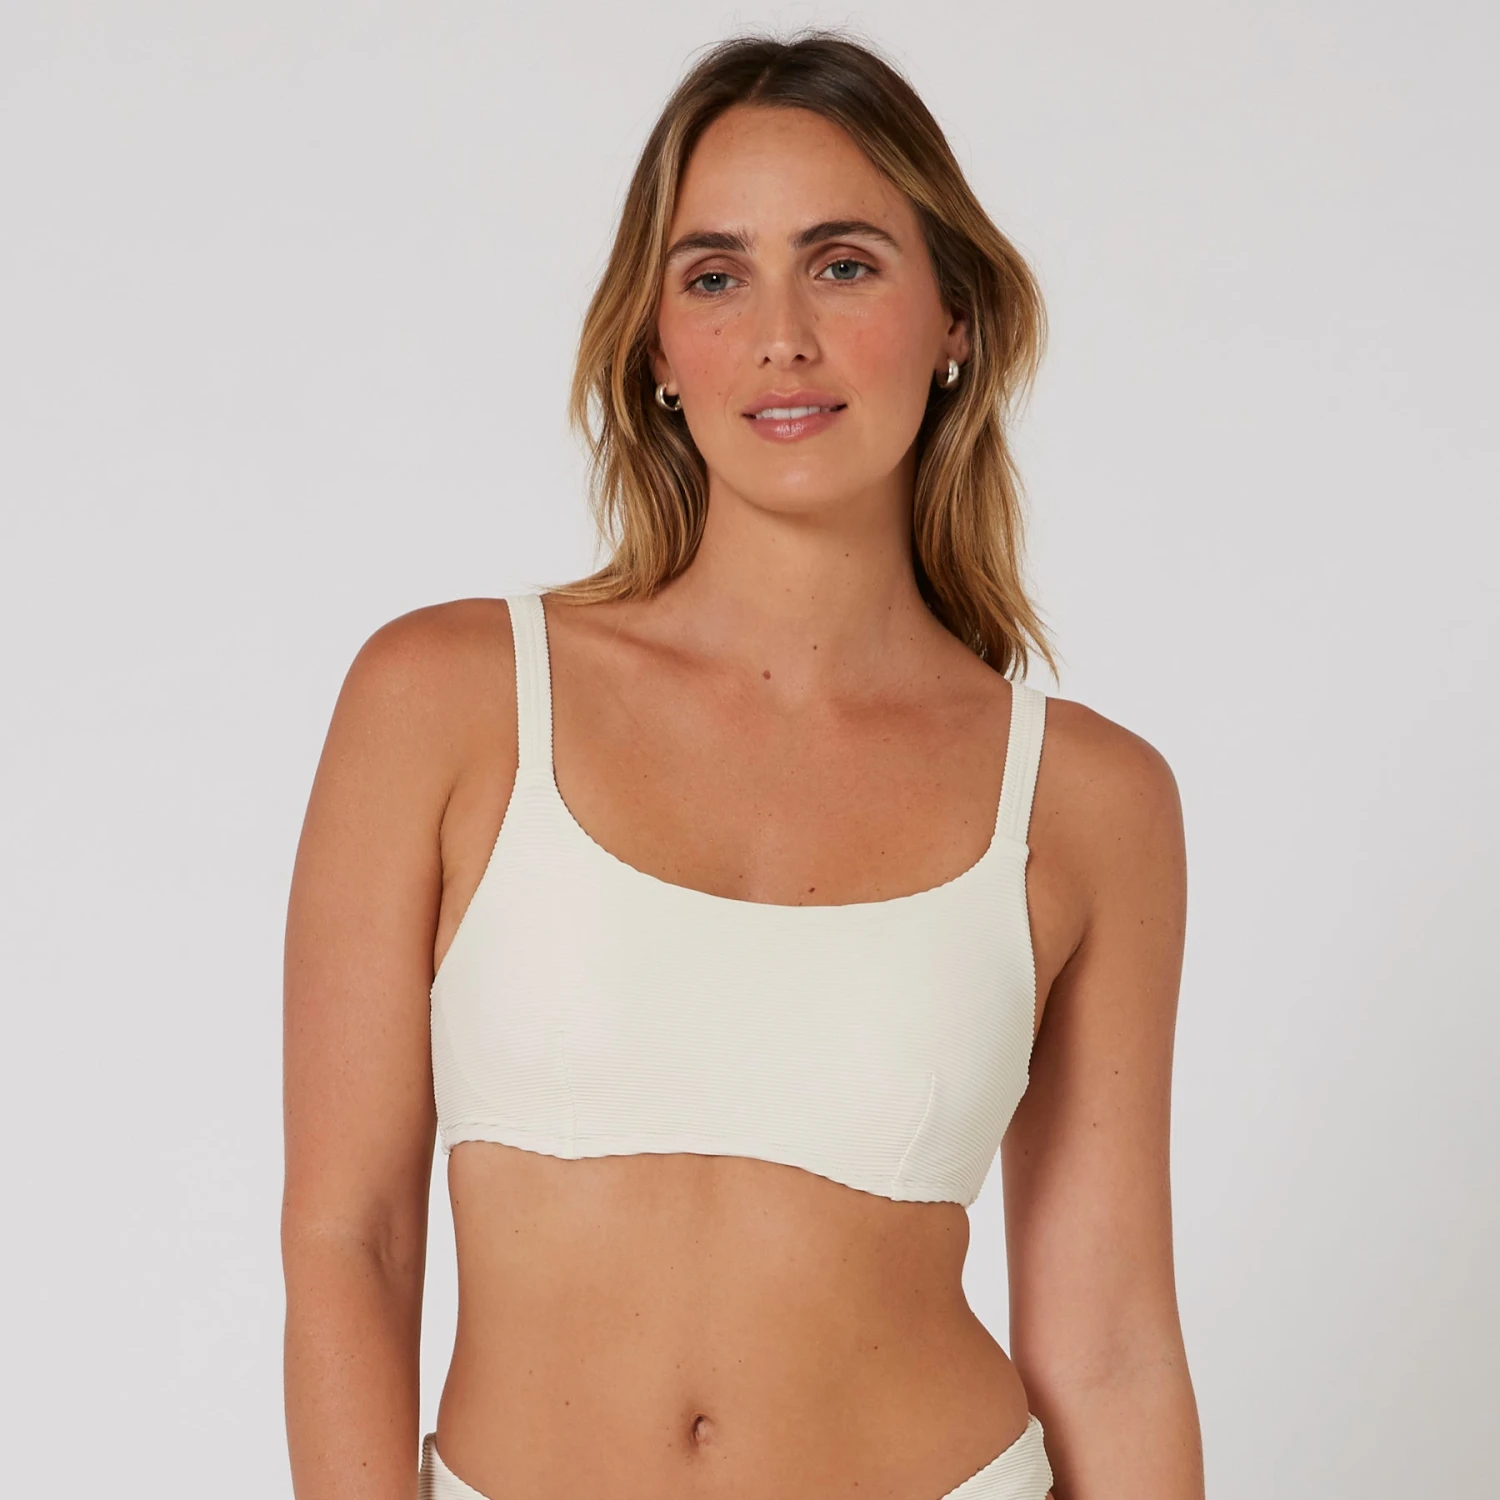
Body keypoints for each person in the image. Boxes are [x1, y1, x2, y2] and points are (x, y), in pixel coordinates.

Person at [281, 30, 1203, 1500]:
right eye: (715, 276)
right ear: (657, 344)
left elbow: (1111, 1348)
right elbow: (352, 1239)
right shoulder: (446, 701)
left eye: (843, 265)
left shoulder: (1090, 800)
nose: (783, 336)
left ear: (955, 318)